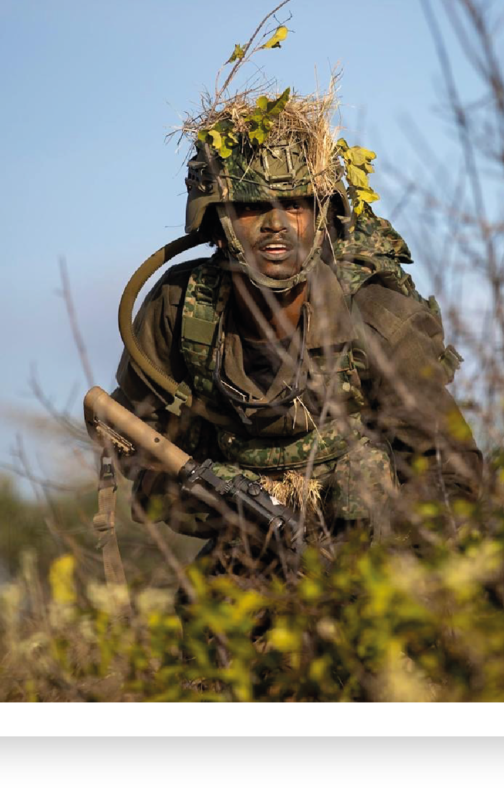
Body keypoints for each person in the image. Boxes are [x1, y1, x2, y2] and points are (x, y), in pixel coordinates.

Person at [110, 107, 482, 576]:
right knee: (196, 615)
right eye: (251, 207)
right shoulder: (181, 309)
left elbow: (452, 471)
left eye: (294, 205)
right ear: (219, 224)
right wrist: (209, 496)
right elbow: (129, 435)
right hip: (251, 550)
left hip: (376, 560)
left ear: (319, 218)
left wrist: (395, 571)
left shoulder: (376, 318)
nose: (275, 224)